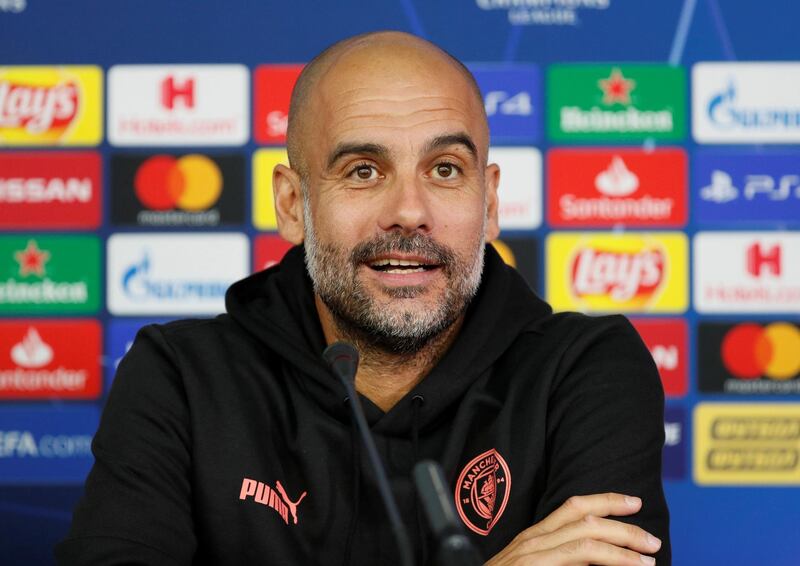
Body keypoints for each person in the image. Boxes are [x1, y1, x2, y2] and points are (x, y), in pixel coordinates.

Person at [56, 31, 670, 565]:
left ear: (489, 203)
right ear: (293, 205)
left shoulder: (588, 371)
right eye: (363, 171)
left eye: (446, 169)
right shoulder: (182, 377)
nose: (409, 211)